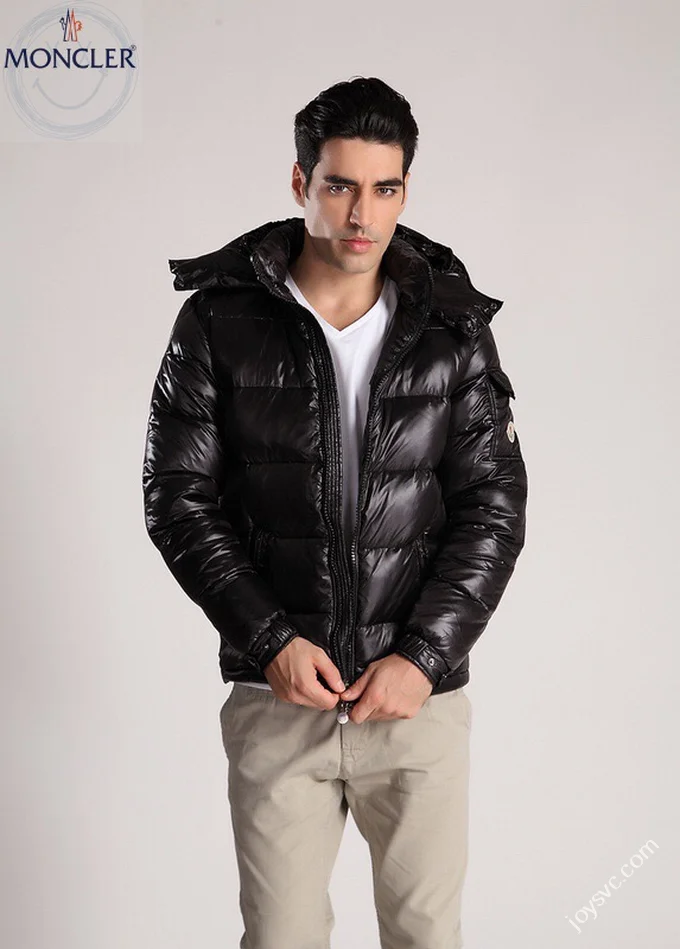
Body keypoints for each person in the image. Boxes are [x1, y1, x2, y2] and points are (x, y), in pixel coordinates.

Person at [142, 75, 528, 949]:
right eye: (341, 185)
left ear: (405, 192)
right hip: (278, 699)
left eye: (385, 188)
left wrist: (422, 656)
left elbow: (494, 506)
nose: (362, 214)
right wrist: (271, 639)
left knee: (426, 938)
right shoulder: (219, 322)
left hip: (417, 705)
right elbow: (177, 496)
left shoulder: (452, 327)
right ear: (300, 182)